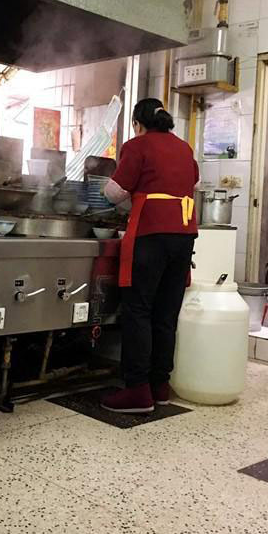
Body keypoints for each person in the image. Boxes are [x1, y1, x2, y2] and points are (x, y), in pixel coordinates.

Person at [101, 98, 199, 413]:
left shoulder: (137, 145)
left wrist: (105, 193)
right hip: (184, 234)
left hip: (151, 233)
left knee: (138, 310)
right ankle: (159, 386)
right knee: (166, 313)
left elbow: (115, 192)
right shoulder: (184, 147)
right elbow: (193, 181)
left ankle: (137, 391)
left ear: (137, 123)